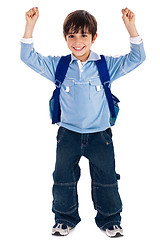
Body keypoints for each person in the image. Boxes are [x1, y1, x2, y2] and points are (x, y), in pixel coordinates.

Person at [20, 6, 146, 237]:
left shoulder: (105, 65)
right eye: (71, 36)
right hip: (67, 134)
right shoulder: (58, 66)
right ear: (65, 37)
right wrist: (30, 25)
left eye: (84, 35)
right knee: (62, 178)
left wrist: (131, 28)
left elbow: (138, 58)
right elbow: (27, 57)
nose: (77, 42)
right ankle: (64, 219)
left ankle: (110, 220)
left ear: (94, 37)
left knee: (106, 178)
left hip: (100, 135)